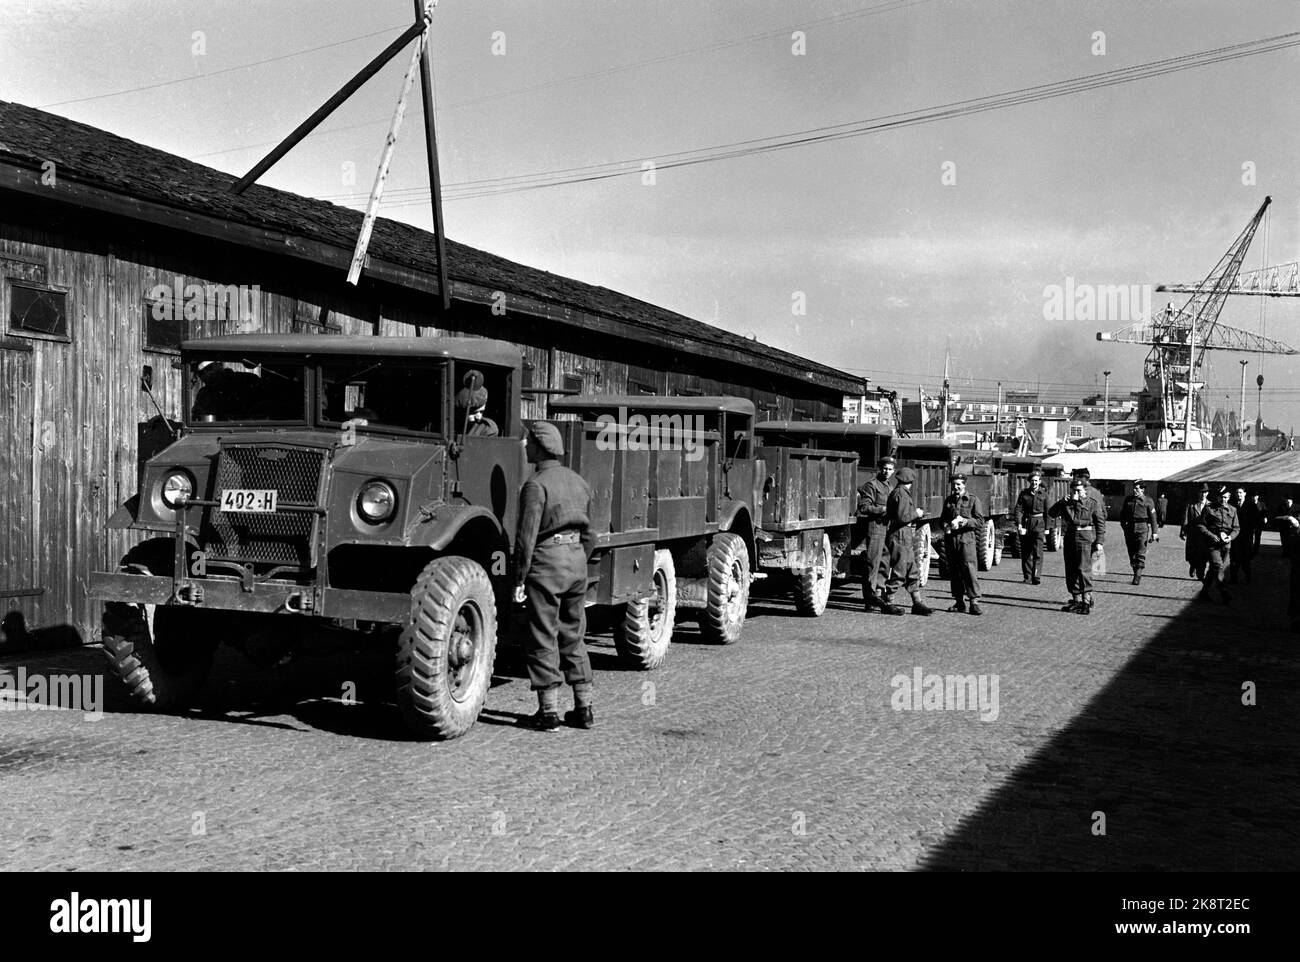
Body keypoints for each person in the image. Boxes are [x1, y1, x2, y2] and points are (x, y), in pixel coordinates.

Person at [513, 421, 596, 732]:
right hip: (576, 563)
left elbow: (526, 538)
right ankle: (584, 710)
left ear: (538, 447)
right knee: (573, 636)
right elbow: (592, 535)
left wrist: (520, 577)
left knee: (543, 635)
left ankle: (548, 713)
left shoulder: (536, 485)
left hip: (547, 566)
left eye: (529, 441)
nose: (526, 446)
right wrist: (577, 560)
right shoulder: (579, 481)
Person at [878, 467, 933, 616]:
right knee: (899, 571)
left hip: (903, 534)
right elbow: (902, 517)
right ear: (911, 481)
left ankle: (917, 603)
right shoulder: (901, 493)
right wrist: (917, 513)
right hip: (900, 535)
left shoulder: (899, 492)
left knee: (912, 571)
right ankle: (888, 603)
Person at [1050, 475, 1106, 614]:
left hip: (1084, 537)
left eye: (1079, 490)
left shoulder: (1092, 503)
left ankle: (1086, 602)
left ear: (1085, 490)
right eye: (1074, 491)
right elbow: (1051, 513)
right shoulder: (1066, 503)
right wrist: (1061, 502)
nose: (1076, 493)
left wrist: (1099, 541)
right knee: (1070, 569)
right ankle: (1076, 600)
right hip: (1070, 537)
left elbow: (1100, 524)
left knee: (1083, 569)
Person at [939, 473, 983, 615]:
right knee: (955, 571)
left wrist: (965, 521)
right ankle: (959, 602)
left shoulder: (973, 500)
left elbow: (980, 521)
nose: (956, 487)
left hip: (966, 539)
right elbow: (943, 519)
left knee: (969, 570)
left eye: (958, 484)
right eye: (954, 484)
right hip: (952, 540)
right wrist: (945, 525)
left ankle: (974, 602)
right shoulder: (949, 500)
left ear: (964, 485)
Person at [856, 455, 896, 611]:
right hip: (875, 528)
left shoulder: (890, 486)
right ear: (879, 469)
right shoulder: (871, 485)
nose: (887, 471)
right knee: (872, 564)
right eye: (884, 468)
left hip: (887, 529)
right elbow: (864, 508)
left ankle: (878, 593)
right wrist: (883, 510)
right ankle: (869, 598)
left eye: (890, 469)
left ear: (893, 471)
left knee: (885, 564)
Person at [1195, 484, 1238, 605]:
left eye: (1225, 497)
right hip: (1213, 545)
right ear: (1217, 497)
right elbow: (1200, 525)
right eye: (1220, 497)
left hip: (1226, 545)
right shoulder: (1209, 509)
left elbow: (1236, 528)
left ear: (1229, 497)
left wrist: (1230, 537)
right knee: (1218, 567)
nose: (1222, 500)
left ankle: (1204, 591)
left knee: (1213, 570)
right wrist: (1212, 536)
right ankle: (1225, 593)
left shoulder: (1233, 510)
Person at [1013, 467, 1049, 585]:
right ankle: (1027, 577)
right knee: (1026, 551)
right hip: (1026, 523)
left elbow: (1048, 512)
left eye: (1036, 480)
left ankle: (1036, 576)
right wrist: (1019, 524)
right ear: (1030, 481)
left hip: (1039, 523)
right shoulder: (1024, 494)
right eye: (1032, 480)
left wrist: (1048, 528)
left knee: (1038, 552)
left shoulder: (1044, 494)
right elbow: (1018, 509)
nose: (1034, 482)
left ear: (1039, 481)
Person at [1119, 479, 1159, 586]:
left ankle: (1137, 575)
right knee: (1132, 554)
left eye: (1137, 488)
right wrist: (1124, 527)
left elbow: (1153, 518)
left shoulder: (1148, 501)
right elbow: (1122, 515)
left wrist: (1154, 532)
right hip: (1129, 529)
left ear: (1142, 489)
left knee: (1140, 552)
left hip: (1142, 529)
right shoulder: (1128, 500)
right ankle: (1135, 570)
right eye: (1134, 488)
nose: (1134, 490)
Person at [456, 369, 500, 437]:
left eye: (481, 412)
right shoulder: (453, 424)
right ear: (461, 412)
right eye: (474, 413)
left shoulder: (487, 428)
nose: (478, 417)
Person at [1181, 483, 1210, 578]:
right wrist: (1183, 531)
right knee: (1191, 554)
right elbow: (1185, 518)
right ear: (1198, 493)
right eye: (1201, 492)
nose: (1203, 495)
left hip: (1205, 535)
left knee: (1203, 555)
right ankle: (1193, 565)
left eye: (1205, 492)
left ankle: (1201, 573)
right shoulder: (1191, 504)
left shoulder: (1211, 505)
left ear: (1207, 493)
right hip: (1192, 533)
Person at [1228, 486, 1256, 585]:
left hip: (1246, 536)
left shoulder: (1251, 505)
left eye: (1240, 492)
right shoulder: (1232, 505)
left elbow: (1254, 521)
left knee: (1246, 558)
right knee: (1234, 558)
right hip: (1235, 536)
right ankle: (1233, 578)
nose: (1238, 495)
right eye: (1237, 493)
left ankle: (1247, 577)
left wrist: (1250, 534)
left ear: (1245, 493)